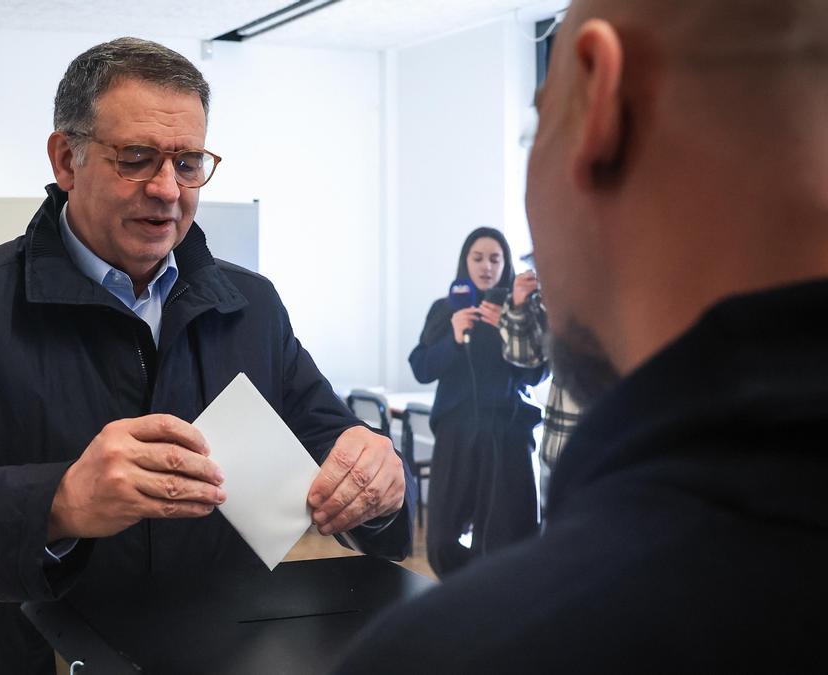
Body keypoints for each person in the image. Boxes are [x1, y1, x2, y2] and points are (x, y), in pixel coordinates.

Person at [0, 37, 412, 673]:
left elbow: (339, 453)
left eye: (189, 162)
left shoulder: (251, 306)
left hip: (225, 655)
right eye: (138, 159)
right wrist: (59, 502)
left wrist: (380, 483)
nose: (168, 190)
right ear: (66, 158)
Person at [334, 0, 828, 670]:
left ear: (601, 104)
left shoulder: (467, 650)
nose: (501, 260)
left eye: (541, 117)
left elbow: (528, 370)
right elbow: (427, 364)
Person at [408, 227, 545, 577]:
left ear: (506, 263)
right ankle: (461, 598)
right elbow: (421, 368)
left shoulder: (522, 309)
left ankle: (499, 610)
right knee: (441, 540)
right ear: (465, 262)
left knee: (508, 540)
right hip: (456, 434)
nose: (486, 266)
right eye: (478, 258)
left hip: (509, 434)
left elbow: (537, 374)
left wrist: (511, 325)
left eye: (495, 259)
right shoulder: (445, 309)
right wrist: (454, 339)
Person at [497, 267, 582, 510]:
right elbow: (525, 357)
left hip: (619, 447)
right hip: (561, 447)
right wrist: (519, 306)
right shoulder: (559, 287)